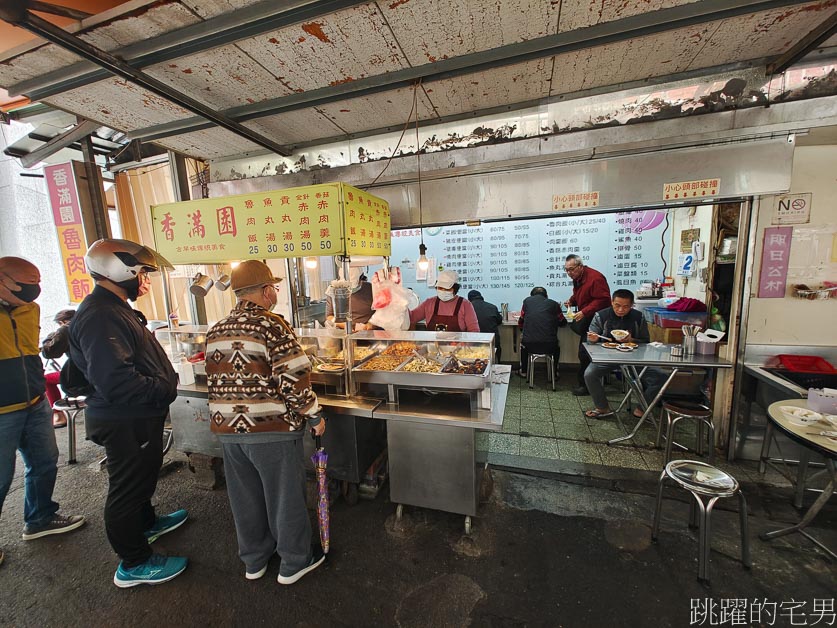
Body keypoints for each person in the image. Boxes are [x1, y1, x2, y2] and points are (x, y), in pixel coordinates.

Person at [68, 239, 187, 588]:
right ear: (120, 270)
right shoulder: (100, 314)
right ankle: (133, 563)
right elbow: (115, 381)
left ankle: (147, 524)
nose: (146, 280)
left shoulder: (113, 307)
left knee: (143, 477)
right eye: (143, 272)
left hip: (135, 416)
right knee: (127, 488)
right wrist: (163, 389)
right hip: (124, 418)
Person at [206, 260, 327, 585]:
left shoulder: (216, 329)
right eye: (272, 286)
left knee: (245, 498)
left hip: (229, 432)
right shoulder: (272, 325)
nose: (274, 291)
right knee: (284, 495)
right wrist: (313, 414)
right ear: (264, 291)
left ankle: (255, 560)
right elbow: (294, 376)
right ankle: (294, 561)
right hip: (270, 429)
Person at [0, 257, 85, 568]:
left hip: (34, 401)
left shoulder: (29, 308)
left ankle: (39, 518)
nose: (34, 290)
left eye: (37, 282)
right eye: (25, 284)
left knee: (45, 461)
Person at [582, 289, 651, 419]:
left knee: (660, 377)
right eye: (617, 305)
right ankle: (602, 407)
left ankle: (643, 407)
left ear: (632, 305)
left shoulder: (638, 317)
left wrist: (631, 340)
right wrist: (593, 339)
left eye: (626, 307)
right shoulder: (601, 316)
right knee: (590, 374)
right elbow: (591, 339)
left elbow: (646, 341)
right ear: (612, 302)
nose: (620, 310)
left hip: (633, 357)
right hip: (607, 356)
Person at [563, 254, 611, 396]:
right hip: (588, 318)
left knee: (585, 353)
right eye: (566, 270)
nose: (569, 273)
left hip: (596, 320)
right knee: (584, 352)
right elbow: (580, 294)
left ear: (580, 266)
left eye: (571, 269)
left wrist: (584, 311)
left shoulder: (595, 278)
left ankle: (587, 385)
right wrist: (572, 301)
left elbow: (603, 299)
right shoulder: (578, 278)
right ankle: (587, 383)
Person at [517, 287, 566, 379]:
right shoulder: (554, 304)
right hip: (550, 345)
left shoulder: (527, 302)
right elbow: (563, 322)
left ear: (531, 296)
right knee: (556, 346)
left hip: (529, 344)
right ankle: (553, 374)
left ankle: (524, 371)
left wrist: (522, 329)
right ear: (546, 296)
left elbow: (521, 320)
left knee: (523, 344)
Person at [409, 270, 479, 332]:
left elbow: (474, 331)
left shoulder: (465, 305)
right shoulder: (429, 303)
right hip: (432, 346)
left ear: (455, 289)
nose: (443, 291)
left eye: (447, 289)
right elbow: (411, 318)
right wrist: (402, 304)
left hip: (457, 346)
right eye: (440, 288)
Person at [41, 308, 75, 428]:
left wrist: (50, 337)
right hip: (101, 371)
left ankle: (58, 415)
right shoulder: (88, 324)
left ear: (63, 322)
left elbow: (49, 352)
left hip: (81, 376)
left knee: (46, 379)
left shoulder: (66, 329)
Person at [325, 267, 376, 331]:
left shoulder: (371, 289)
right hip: (343, 331)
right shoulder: (334, 291)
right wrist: (345, 325)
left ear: (361, 278)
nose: (350, 291)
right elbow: (329, 316)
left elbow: (380, 313)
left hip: (368, 332)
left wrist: (372, 325)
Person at [467, 290, 503, 361]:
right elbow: (499, 320)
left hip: (475, 341)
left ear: (469, 299)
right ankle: (498, 363)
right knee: (497, 349)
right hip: (492, 340)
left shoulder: (467, 308)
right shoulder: (492, 307)